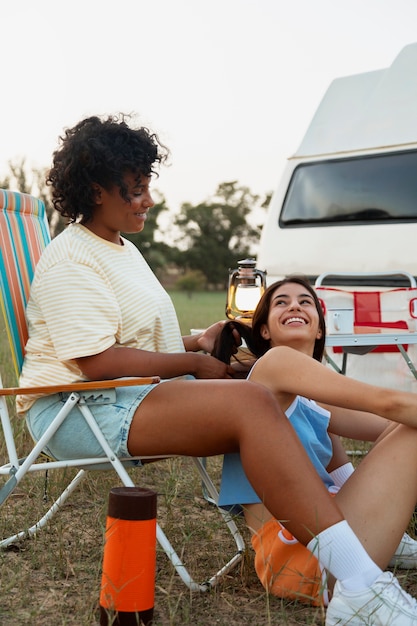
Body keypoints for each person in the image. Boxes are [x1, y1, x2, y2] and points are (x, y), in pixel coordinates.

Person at [16, 113, 417, 626]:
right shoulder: (72, 257)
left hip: (127, 393)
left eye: (147, 187)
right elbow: (95, 360)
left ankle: (356, 569)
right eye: (135, 189)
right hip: (77, 410)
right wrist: (192, 363)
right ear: (96, 190)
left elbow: (133, 343)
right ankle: (359, 584)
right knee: (252, 399)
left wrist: (200, 342)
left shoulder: (121, 249)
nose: (149, 200)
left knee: (260, 384)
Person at [213, 275, 417, 618]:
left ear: (320, 329)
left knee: (407, 428)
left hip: (326, 545)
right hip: (300, 558)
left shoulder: (311, 400)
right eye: (282, 302)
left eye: (305, 302)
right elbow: (388, 403)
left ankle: (390, 538)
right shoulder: (274, 365)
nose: (295, 305)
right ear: (264, 330)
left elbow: (393, 426)